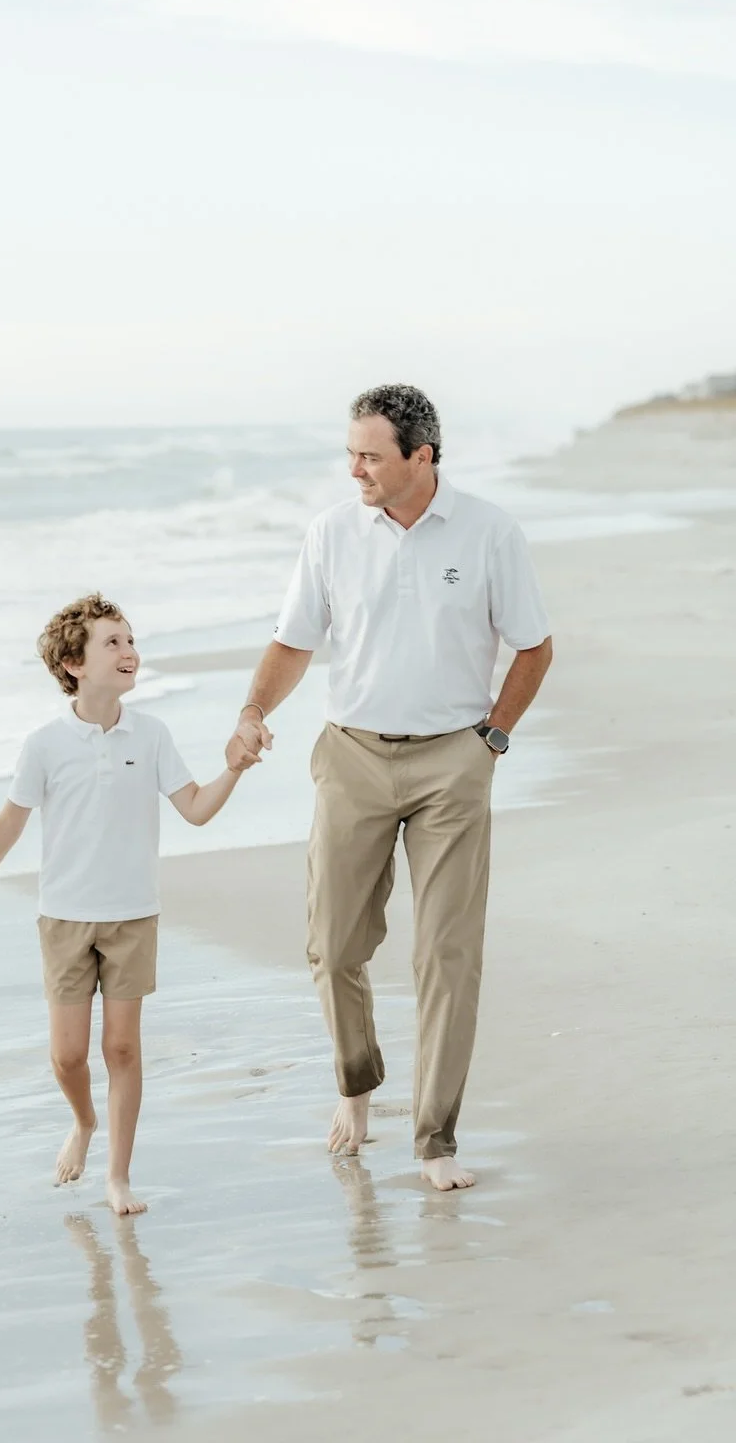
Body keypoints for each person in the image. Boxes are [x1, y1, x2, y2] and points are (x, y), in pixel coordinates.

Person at [227, 384, 553, 1192]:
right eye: (350, 454)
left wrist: (491, 740)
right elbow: (293, 642)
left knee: (446, 952)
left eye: (370, 456)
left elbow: (534, 648)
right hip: (352, 756)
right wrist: (253, 709)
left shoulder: (488, 533)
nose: (355, 470)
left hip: (454, 759)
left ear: (422, 457)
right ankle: (356, 1083)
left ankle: (436, 1137)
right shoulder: (332, 534)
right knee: (333, 944)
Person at [0, 594, 260, 1216]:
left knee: (121, 1049)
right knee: (67, 1055)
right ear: (74, 663)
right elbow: (9, 824)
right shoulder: (44, 744)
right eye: (112, 643)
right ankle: (84, 1121)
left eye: (130, 640)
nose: (129, 652)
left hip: (132, 915)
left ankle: (118, 1176)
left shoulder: (150, 734)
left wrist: (234, 769)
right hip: (65, 916)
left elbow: (196, 808)